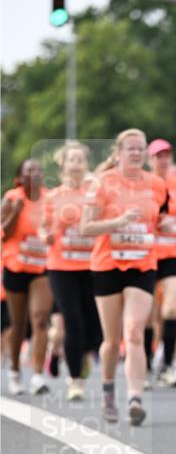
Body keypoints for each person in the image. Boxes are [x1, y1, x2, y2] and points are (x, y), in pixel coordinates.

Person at [81, 128, 167, 425]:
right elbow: (85, 227)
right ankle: (107, 393)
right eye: (129, 148)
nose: (135, 153)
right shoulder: (102, 183)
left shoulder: (156, 184)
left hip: (143, 264)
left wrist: (163, 229)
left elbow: (162, 220)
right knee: (112, 337)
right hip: (107, 265)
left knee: (134, 331)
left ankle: (135, 398)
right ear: (117, 153)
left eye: (140, 148)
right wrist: (117, 222)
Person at [44, 141, 101, 401]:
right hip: (61, 266)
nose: (76, 164)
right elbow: (41, 226)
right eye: (72, 159)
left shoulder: (95, 195)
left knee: (95, 324)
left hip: (92, 265)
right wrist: (44, 235)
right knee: (72, 321)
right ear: (63, 164)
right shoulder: (53, 197)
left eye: (80, 159)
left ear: (86, 164)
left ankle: (86, 352)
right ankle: (75, 380)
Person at [1, 159, 52, 395]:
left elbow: (57, 227)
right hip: (15, 267)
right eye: (30, 170)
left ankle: (39, 375)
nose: (35, 173)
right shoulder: (12, 198)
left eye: (38, 169)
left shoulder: (50, 199)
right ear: (21, 177)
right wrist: (15, 213)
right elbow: (3, 234)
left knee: (41, 318)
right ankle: (14, 371)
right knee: (18, 323)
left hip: (41, 268)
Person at [147, 138, 176, 384]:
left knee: (172, 309)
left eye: (166, 155)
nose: (163, 160)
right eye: (158, 156)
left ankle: (166, 364)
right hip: (148, 254)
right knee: (147, 313)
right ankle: (143, 362)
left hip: (174, 253)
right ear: (149, 159)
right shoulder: (142, 184)